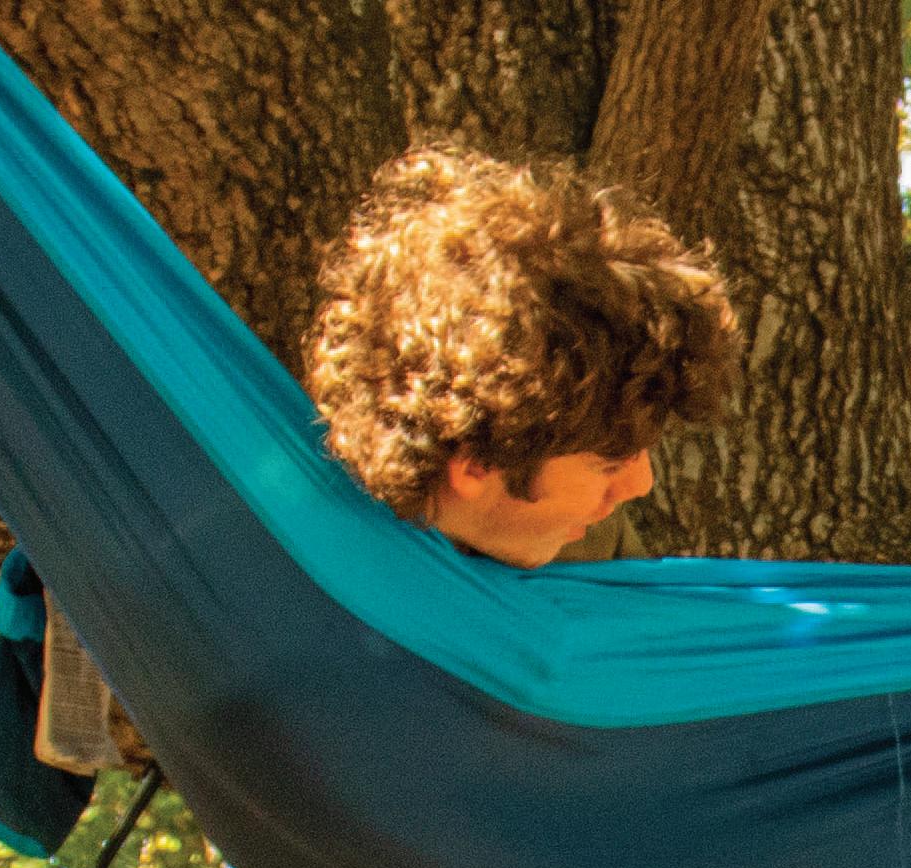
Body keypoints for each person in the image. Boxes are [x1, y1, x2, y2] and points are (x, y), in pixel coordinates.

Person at [302, 146, 740, 567]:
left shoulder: (590, 550)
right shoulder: (297, 552)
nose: (641, 484)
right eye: (608, 465)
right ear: (477, 467)